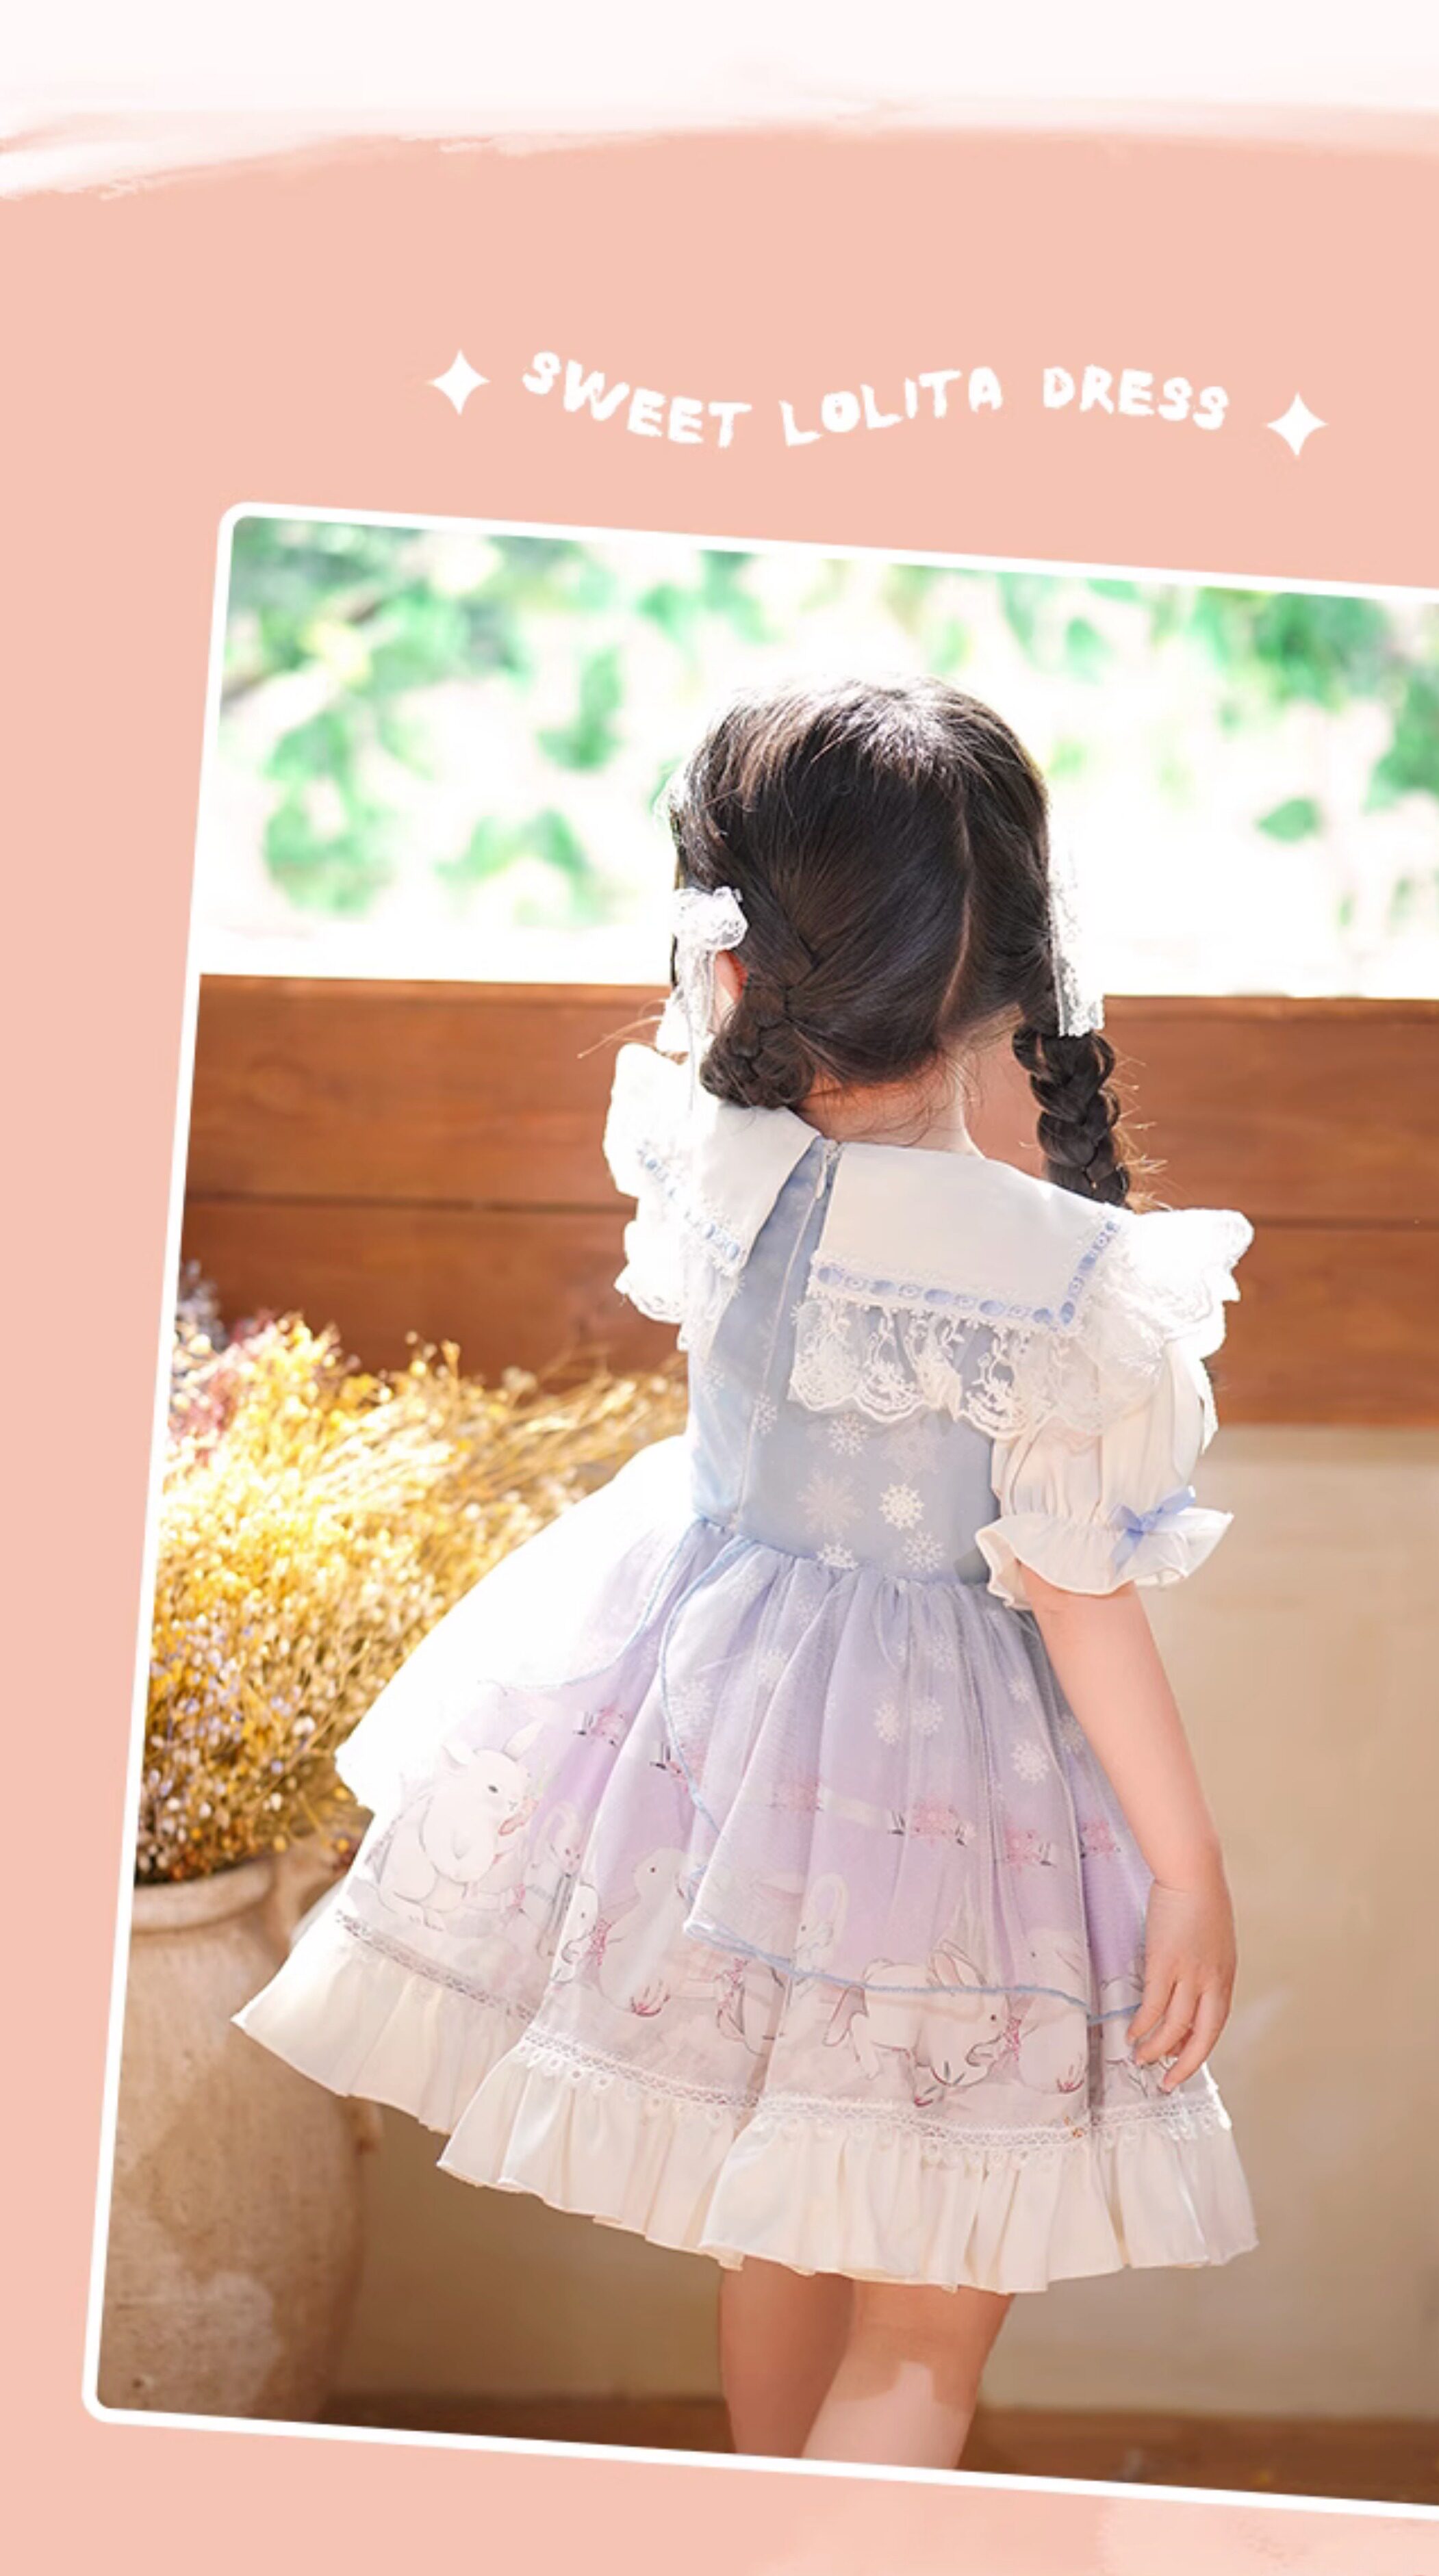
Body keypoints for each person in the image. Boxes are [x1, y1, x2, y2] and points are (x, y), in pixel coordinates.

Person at [235, 674, 1257, 2471]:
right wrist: (1190, 1869)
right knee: (929, 2313)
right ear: (1017, 966)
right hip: (948, 1828)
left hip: (715, 1771)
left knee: (776, 2223)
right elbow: (1080, 1594)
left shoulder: (708, 1158)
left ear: (734, 951)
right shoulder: (1066, 1287)